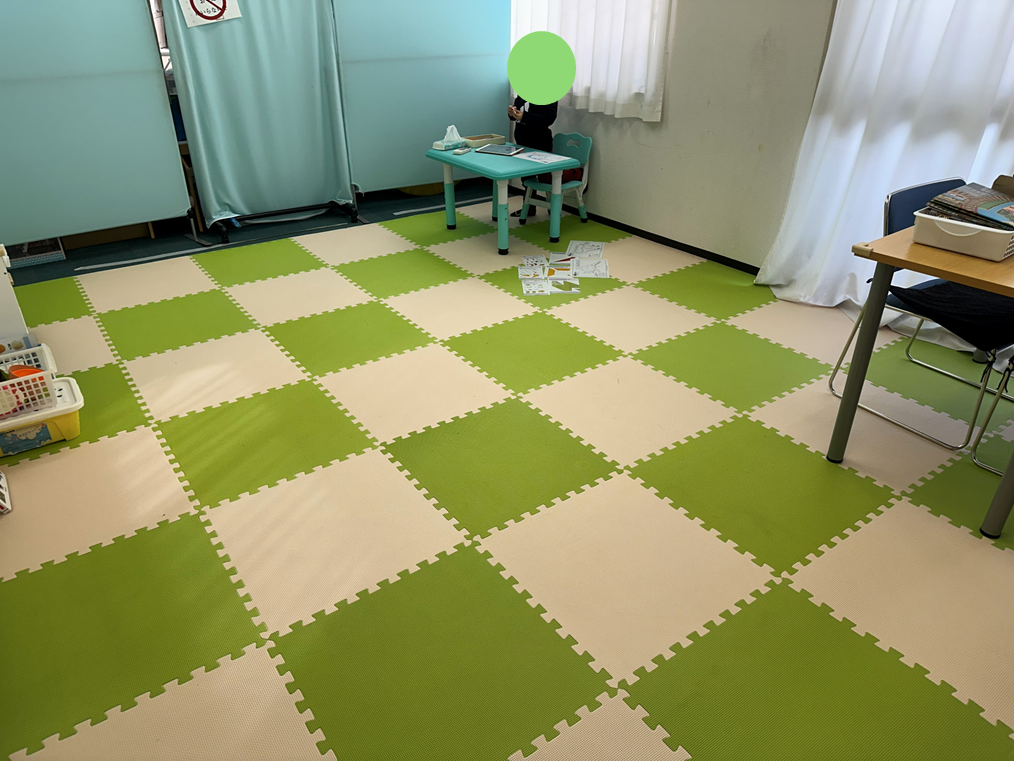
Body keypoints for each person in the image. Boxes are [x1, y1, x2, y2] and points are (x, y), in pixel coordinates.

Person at [508, 97, 583, 217]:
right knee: (527, 178)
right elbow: (516, 113)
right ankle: (529, 208)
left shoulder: (548, 95)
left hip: (541, 144)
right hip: (523, 142)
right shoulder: (523, 93)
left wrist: (524, 116)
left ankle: (576, 173)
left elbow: (548, 118)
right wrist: (512, 113)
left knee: (547, 178)